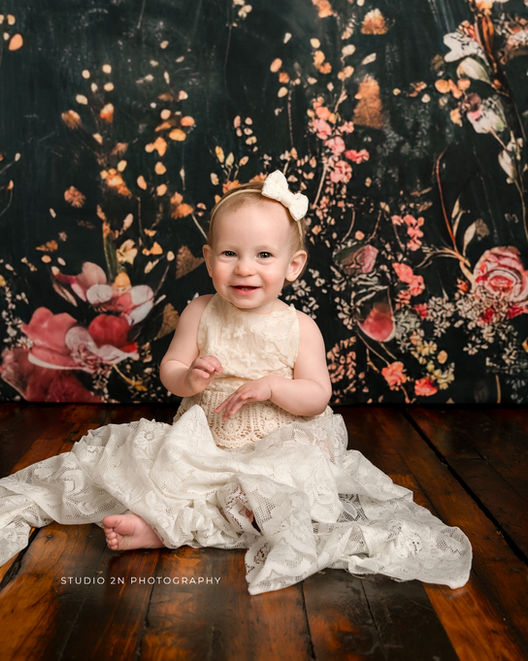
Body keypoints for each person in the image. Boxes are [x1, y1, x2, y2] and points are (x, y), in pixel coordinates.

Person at [0, 171, 472, 594]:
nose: (245, 268)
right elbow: (170, 370)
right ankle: (157, 522)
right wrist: (190, 375)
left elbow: (316, 397)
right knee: (163, 473)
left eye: (264, 255)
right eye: (230, 253)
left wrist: (272, 387)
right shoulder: (201, 312)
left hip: (278, 445)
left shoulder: (299, 327)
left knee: (263, 497)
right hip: (206, 439)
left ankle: (165, 529)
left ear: (293, 265)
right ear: (208, 260)